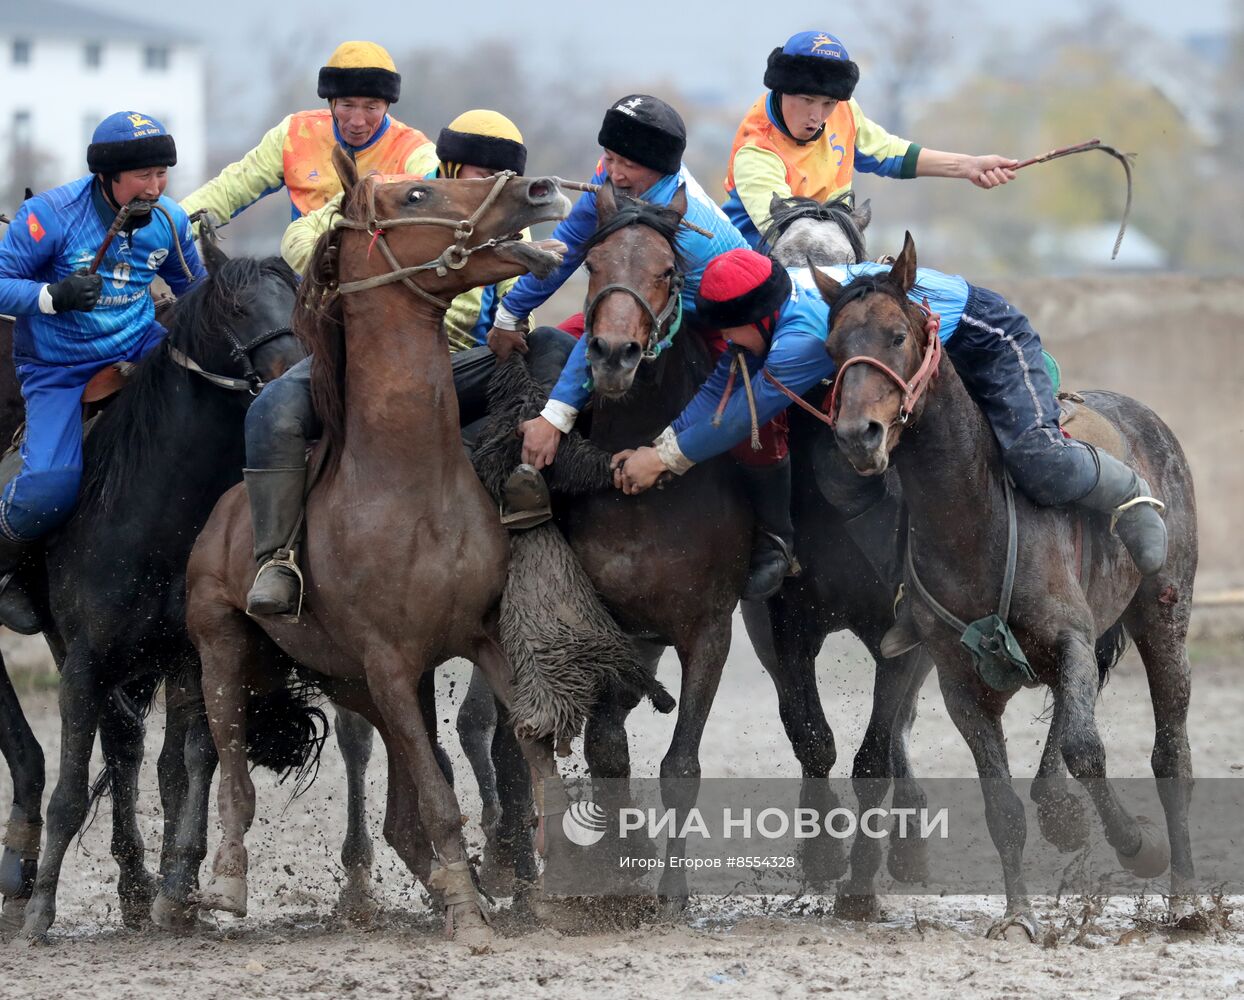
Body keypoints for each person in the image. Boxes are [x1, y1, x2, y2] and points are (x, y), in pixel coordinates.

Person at [612, 249, 1168, 619]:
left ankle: (1129, 492)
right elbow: (722, 392)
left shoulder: (805, 335)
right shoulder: (791, 309)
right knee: (840, 471)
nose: (724, 341)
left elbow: (741, 413)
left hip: (984, 341)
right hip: (905, 360)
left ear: (760, 319)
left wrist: (665, 461)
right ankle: (908, 591)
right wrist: (660, 444)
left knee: (1035, 457)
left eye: (728, 330)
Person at [242, 111, 573, 617]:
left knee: (553, 347)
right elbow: (302, 234)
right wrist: (331, 253)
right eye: (481, 174)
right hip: (369, 361)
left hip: (457, 366)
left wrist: (513, 316)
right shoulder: (393, 197)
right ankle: (277, 558)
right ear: (452, 166)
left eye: (500, 177)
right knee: (274, 406)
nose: (490, 185)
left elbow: (519, 298)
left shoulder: (507, 237)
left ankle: (498, 475)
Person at [0, 113, 204, 632]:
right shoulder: (47, 215)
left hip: (141, 343)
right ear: (108, 177)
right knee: (47, 491)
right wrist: (51, 296)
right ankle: (8, 572)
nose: (155, 189)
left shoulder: (170, 220)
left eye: (162, 174)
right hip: (57, 367)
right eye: (144, 177)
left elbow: (195, 293)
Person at [723, 31, 1019, 248]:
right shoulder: (756, 149)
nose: (818, 115)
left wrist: (968, 166)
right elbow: (793, 239)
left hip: (830, 251)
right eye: (807, 99)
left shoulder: (844, 111)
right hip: (763, 264)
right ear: (782, 89)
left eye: (828, 103)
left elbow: (891, 154)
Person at [180, 41, 436, 234]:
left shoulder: (414, 149)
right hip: (309, 280)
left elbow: (442, 185)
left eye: (371, 108)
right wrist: (170, 224)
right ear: (331, 102)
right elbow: (230, 190)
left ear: (387, 106)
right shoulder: (294, 134)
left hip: (383, 283)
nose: (358, 121)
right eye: (347, 106)